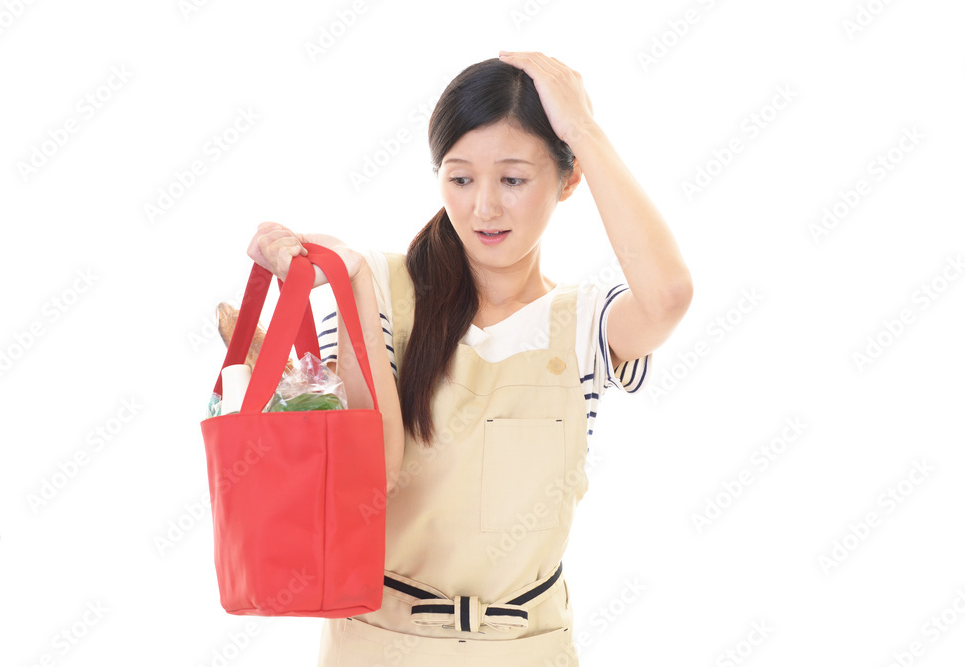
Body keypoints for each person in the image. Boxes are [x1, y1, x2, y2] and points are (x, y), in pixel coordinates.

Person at [247, 50, 692, 666]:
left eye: (513, 180)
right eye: (460, 179)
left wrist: (583, 129)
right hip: (377, 644)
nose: (484, 207)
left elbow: (667, 296)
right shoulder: (381, 287)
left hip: (527, 649)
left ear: (569, 181)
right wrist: (348, 282)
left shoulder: (585, 324)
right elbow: (370, 473)